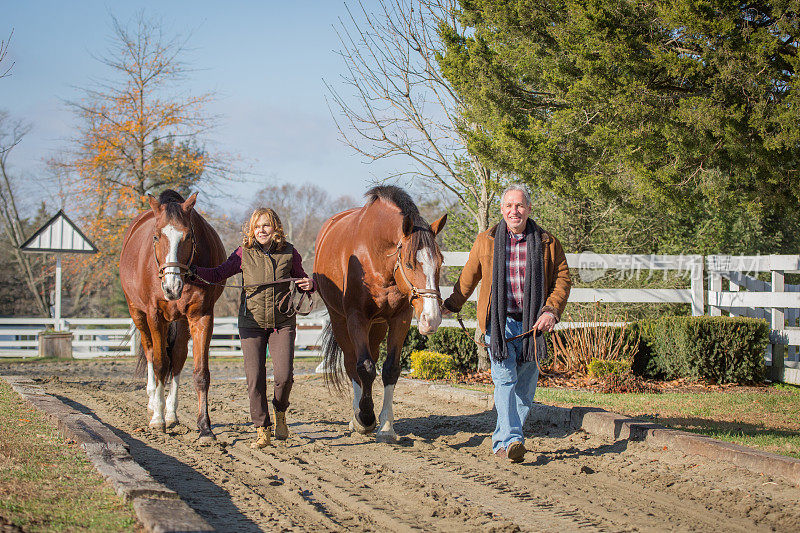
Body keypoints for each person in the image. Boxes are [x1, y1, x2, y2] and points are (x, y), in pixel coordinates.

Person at [442, 184, 571, 463]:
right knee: (505, 380)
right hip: (497, 326)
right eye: (509, 206)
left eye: (520, 205)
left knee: (525, 390)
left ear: (529, 209)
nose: (515, 211)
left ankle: (503, 441)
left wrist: (551, 310)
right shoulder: (486, 239)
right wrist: (452, 305)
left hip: (532, 327)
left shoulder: (548, 242)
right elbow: (469, 277)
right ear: (502, 210)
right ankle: (512, 439)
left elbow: (562, 280)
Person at [192, 207, 314, 448]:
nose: (261, 230)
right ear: (251, 230)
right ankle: (262, 429)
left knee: (284, 377)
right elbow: (217, 274)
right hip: (252, 323)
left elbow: (301, 280)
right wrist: (192, 272)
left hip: (282, 322)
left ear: (275, 228)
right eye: (257, 226)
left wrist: (310, 284)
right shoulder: (242, 253)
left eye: (266, 225)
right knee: (255, 379)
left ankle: (280, 412)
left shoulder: (289, 252)